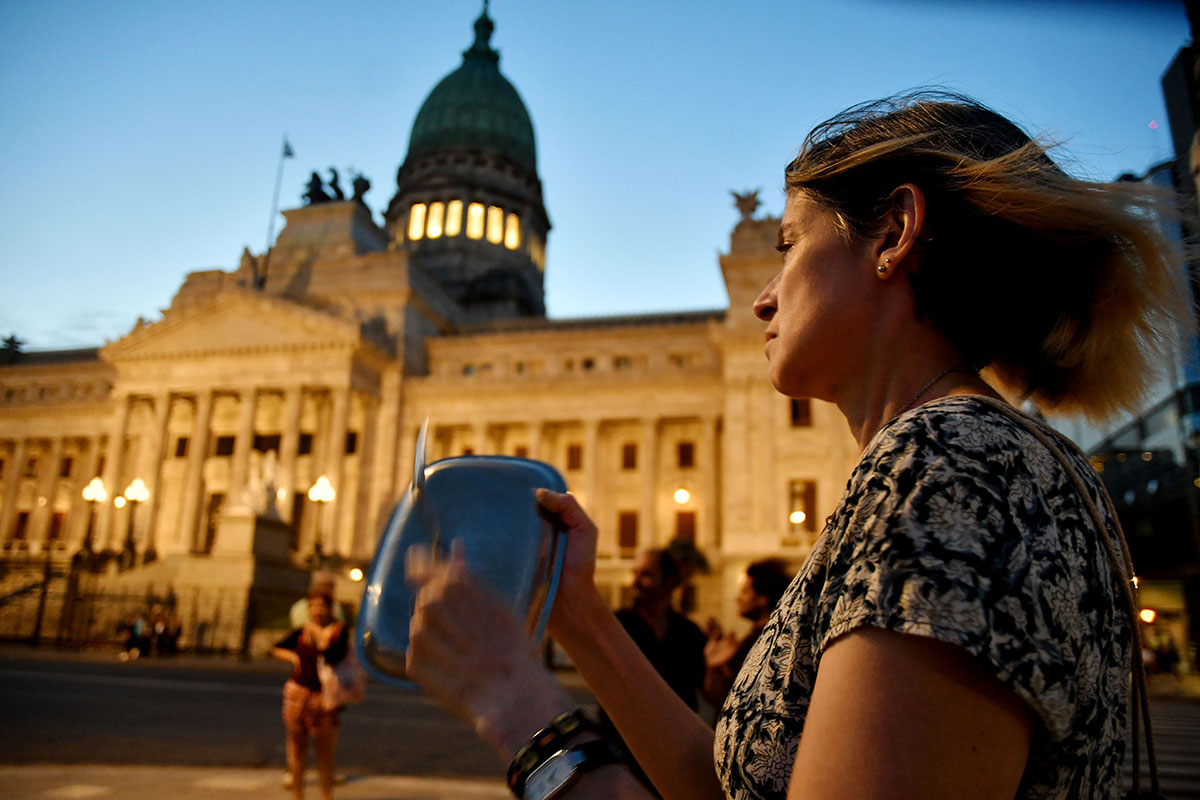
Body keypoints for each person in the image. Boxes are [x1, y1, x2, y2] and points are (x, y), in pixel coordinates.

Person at [404, 91, 1186, 799]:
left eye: (787, 245)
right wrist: (579, 617)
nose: (760, 296)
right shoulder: (966, 461)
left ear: (894, 234)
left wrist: (519, 708)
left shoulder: (950, 471)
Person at [602, 549, 705, 793]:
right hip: (624, 752)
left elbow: (707, 691)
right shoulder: (617, 626)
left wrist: (716, 668)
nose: (634, 582)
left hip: (677, 753)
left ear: (669, 582)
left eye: (646, 575)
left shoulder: (689, 633)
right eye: (635, 573)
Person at [271, 589, 348, 800]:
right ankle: (298, 796)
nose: (317, 611)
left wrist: (322, 641)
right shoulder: (303, 630)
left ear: (330, 609)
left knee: (324, 753)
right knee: (297, 749)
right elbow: (276, 647)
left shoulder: (339, 631)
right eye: (313, 606)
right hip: (298, 693)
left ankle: (326, 796)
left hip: (325, 696)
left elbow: (336, 657)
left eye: (321, 606)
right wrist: (293, 658)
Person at [703, 558, 793, 706]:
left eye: (745, 591)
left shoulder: (768, 642)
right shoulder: (753, 639)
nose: (738, 598)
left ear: (763, 598)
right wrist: (714, 666)